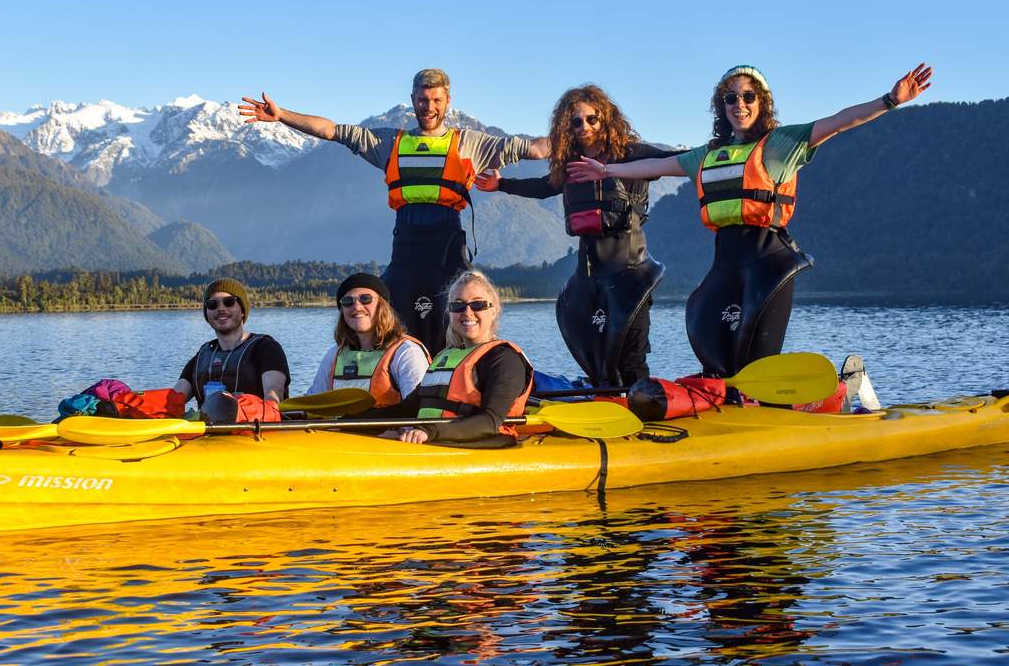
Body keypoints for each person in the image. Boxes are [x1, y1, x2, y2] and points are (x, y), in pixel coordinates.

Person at [567, 63, 934, 376]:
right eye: (730, 98)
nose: (739, 105)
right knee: (716, 354)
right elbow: (657, 165)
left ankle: (787, 407)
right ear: (721, 106)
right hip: (726, 269)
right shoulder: (709, 155)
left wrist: (890, 101)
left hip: (768, 268)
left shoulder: (781, 143)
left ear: (762, 101)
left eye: (748, 96)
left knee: (756, 366)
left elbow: (839, 122)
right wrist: (605, 170)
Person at [239, 69, 550, 354]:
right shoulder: (389, 142)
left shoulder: (469, 143)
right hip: (406, 246)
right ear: (413, 100)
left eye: (436, 100)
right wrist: (281, 115)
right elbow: (332, 130)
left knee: (468, 308)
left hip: (447, 246)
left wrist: (585, 134)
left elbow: (534, 149)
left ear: (448, 101)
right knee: (380, 308)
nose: (429, 107)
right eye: (423, 100)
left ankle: (477, 374)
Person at [476, 85, 679, 386]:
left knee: (631, 357)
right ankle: (604, 403)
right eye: (576, 121)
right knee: (598, 355)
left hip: (632, 273)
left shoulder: (633, 154)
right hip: (591, 276)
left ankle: (641, 412)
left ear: (605, 118)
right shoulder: (570, 164)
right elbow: (544, 186)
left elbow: (680, 161)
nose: (584, 127)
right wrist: (502, 184)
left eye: (591, 119)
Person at [389, 270, 534, 449]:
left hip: (483, 449)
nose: (467, 312)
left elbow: (490, 421)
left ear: (494, 310)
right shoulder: (446, 357)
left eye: (478, 305)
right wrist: (348, 419)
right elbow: (405, 409)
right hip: (435, 443)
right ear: (450, 312)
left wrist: (429, 431)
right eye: (458, 306)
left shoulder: (504, 359)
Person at [307, 273, 430, 409]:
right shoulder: (334, 354)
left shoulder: (406, 352)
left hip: (391, 430)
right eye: (348, 301)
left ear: (383, 305)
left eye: (366, 299)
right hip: (337, 430)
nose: (357, 307)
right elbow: (312, 404)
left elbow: (419, 410)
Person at [173, 278, 288, 421]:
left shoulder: (267, 348)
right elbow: (171, 400)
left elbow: (274, 397)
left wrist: (229, 407)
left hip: (254, 435)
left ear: (243, 310)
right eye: (212, 304)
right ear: (207, 314)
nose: (221, 309)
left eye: (229, 302)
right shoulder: (202, 357)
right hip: (206, 437)